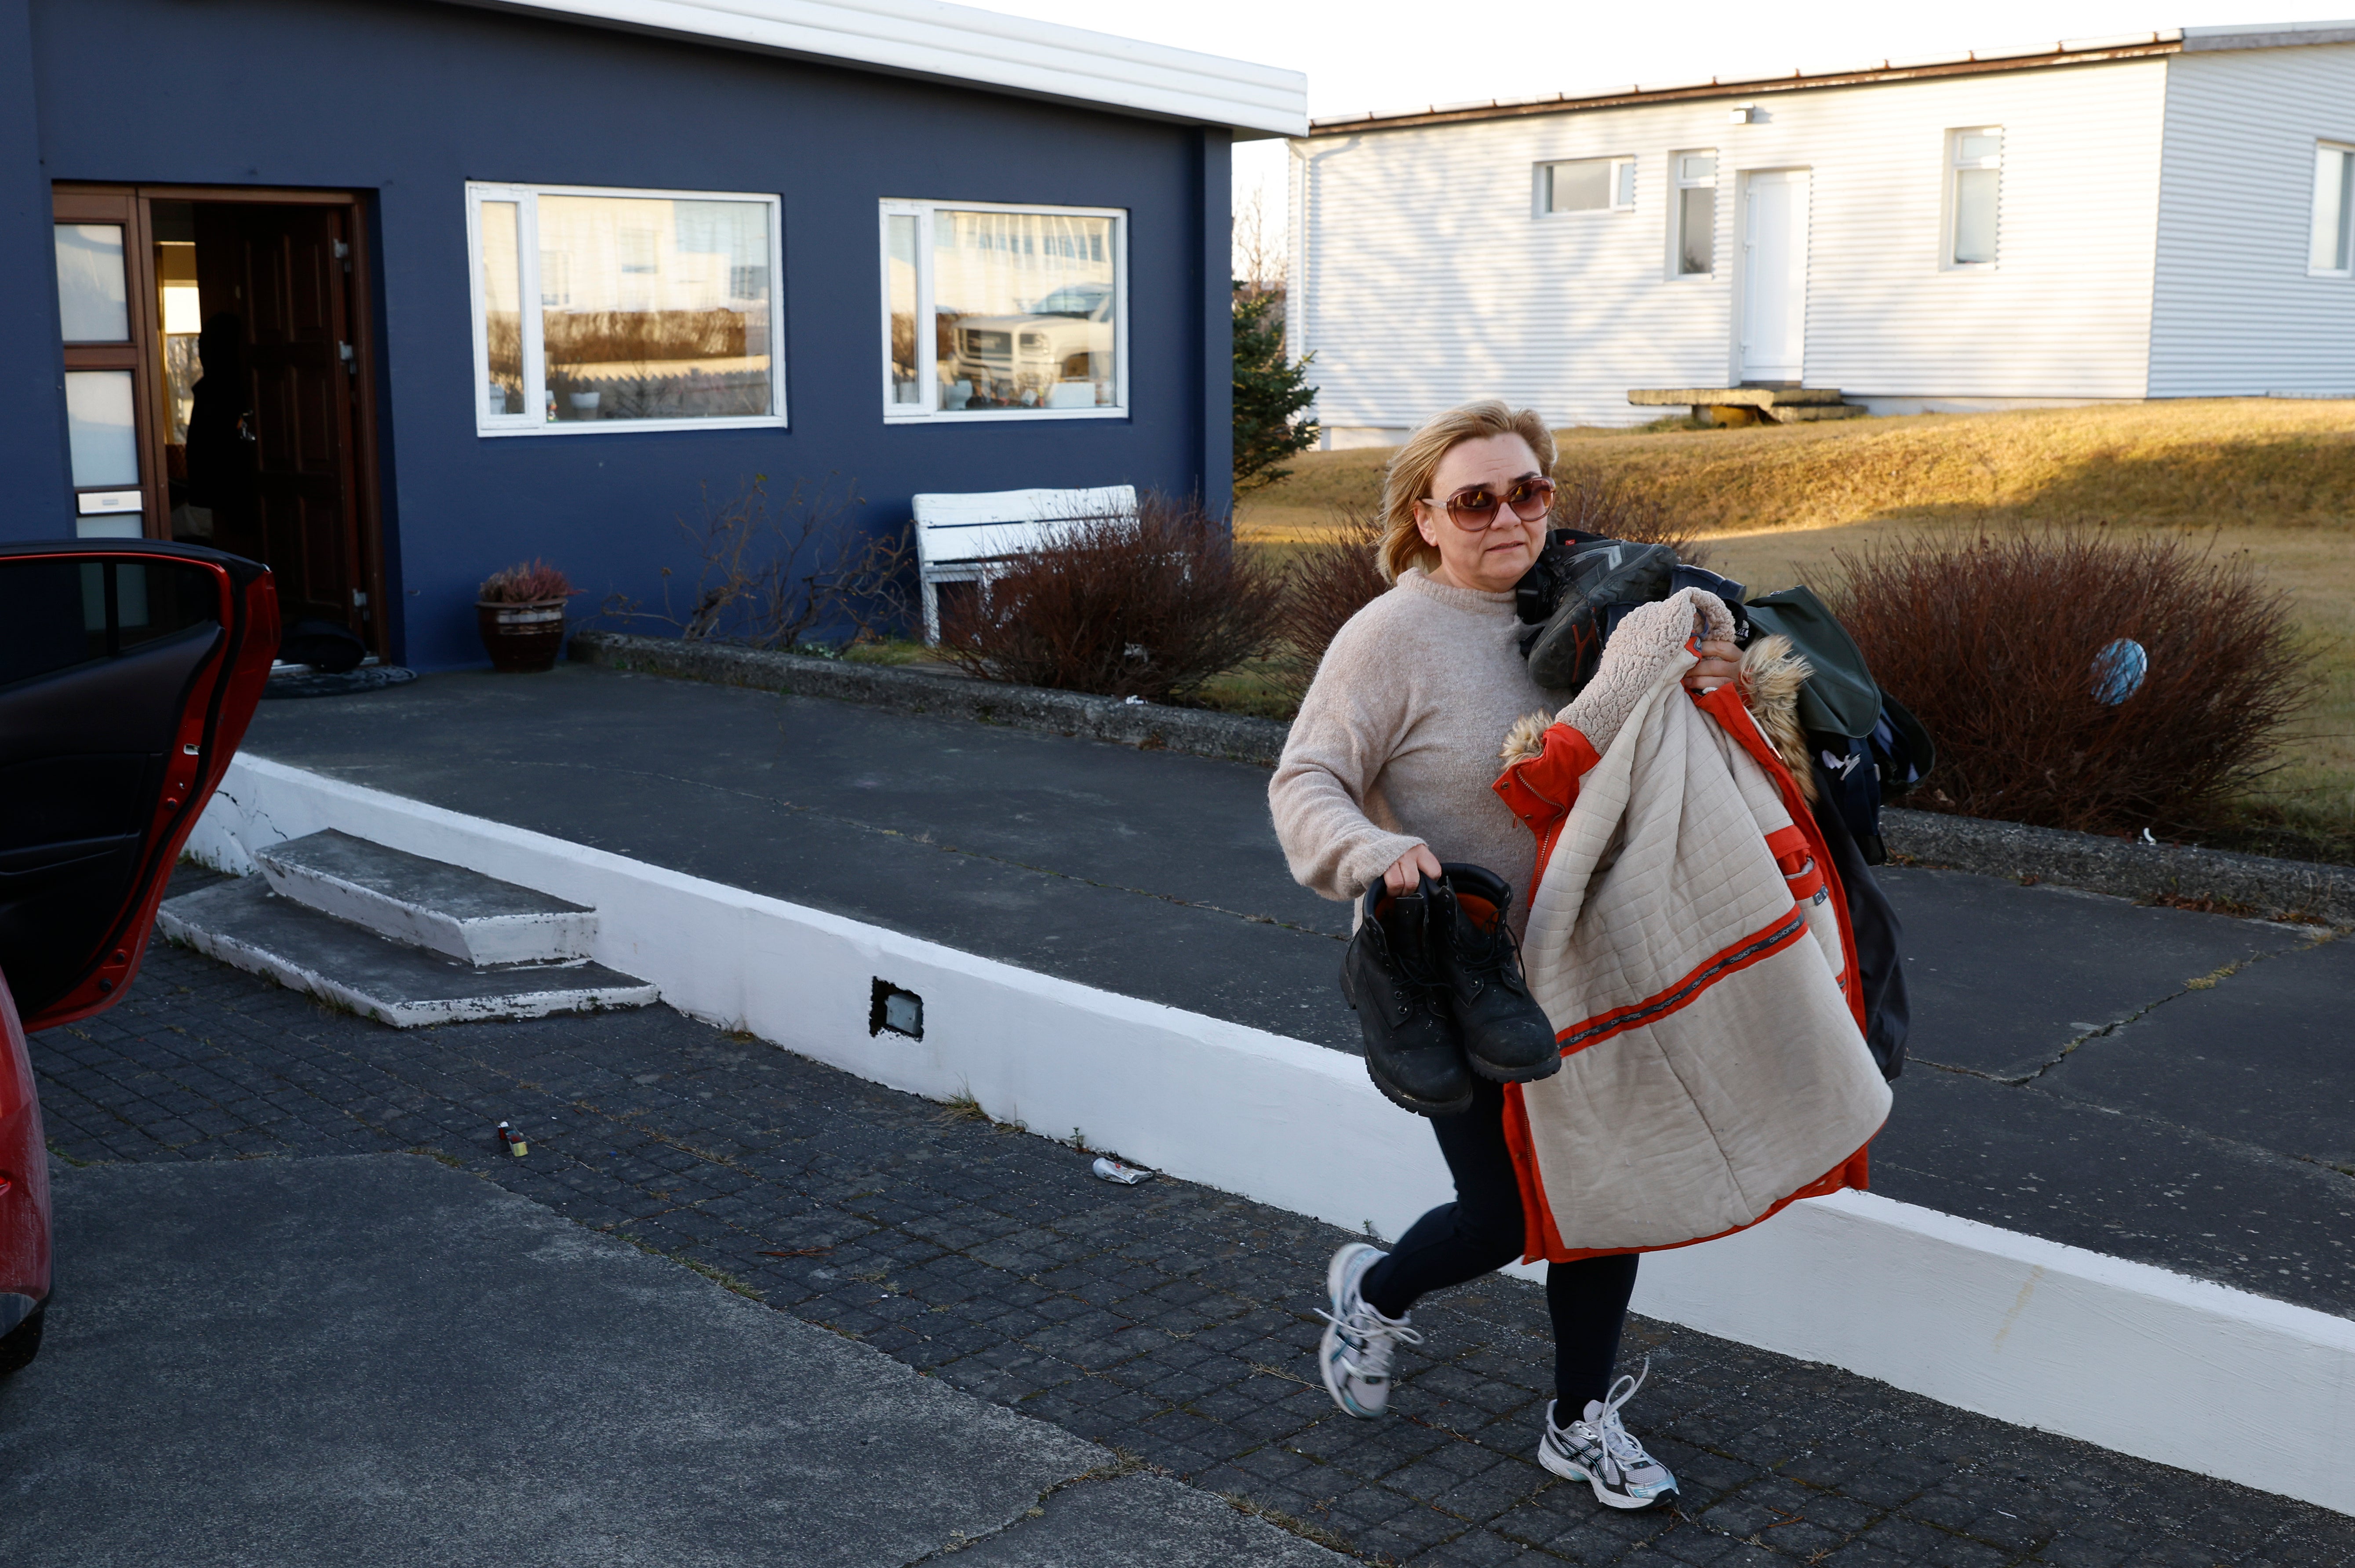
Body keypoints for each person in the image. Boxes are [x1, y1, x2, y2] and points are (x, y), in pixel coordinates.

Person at [1267, 400, 1742, 1510]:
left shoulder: (1591, 604)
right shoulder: (1389, 638)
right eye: (1473, 500)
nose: (1506, 518)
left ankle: (1578, 1424)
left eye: (1526, 491)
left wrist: (1719, 673)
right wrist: (1374, 847)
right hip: (1454, 977)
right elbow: (1305, 781)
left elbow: (1663, 736)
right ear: (1425, 518)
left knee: (1607, 1200)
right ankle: (1377, 1291)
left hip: (1597, 965)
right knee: (1502, 1215)